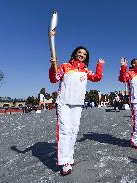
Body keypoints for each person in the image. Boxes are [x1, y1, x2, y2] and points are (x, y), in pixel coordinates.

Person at [49, 46, 104, 176]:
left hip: (78, 104)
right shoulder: (64, 66)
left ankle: (69, 156)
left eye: (84, 54)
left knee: (74, 131)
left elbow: (97, 77)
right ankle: (64, 162)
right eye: (79, 52)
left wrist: (100, 65)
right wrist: (53, 66)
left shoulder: (85, 71)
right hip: (64, 103)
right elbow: (54, 79)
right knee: (65, 131)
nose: (82, 55)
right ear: (74, 54)